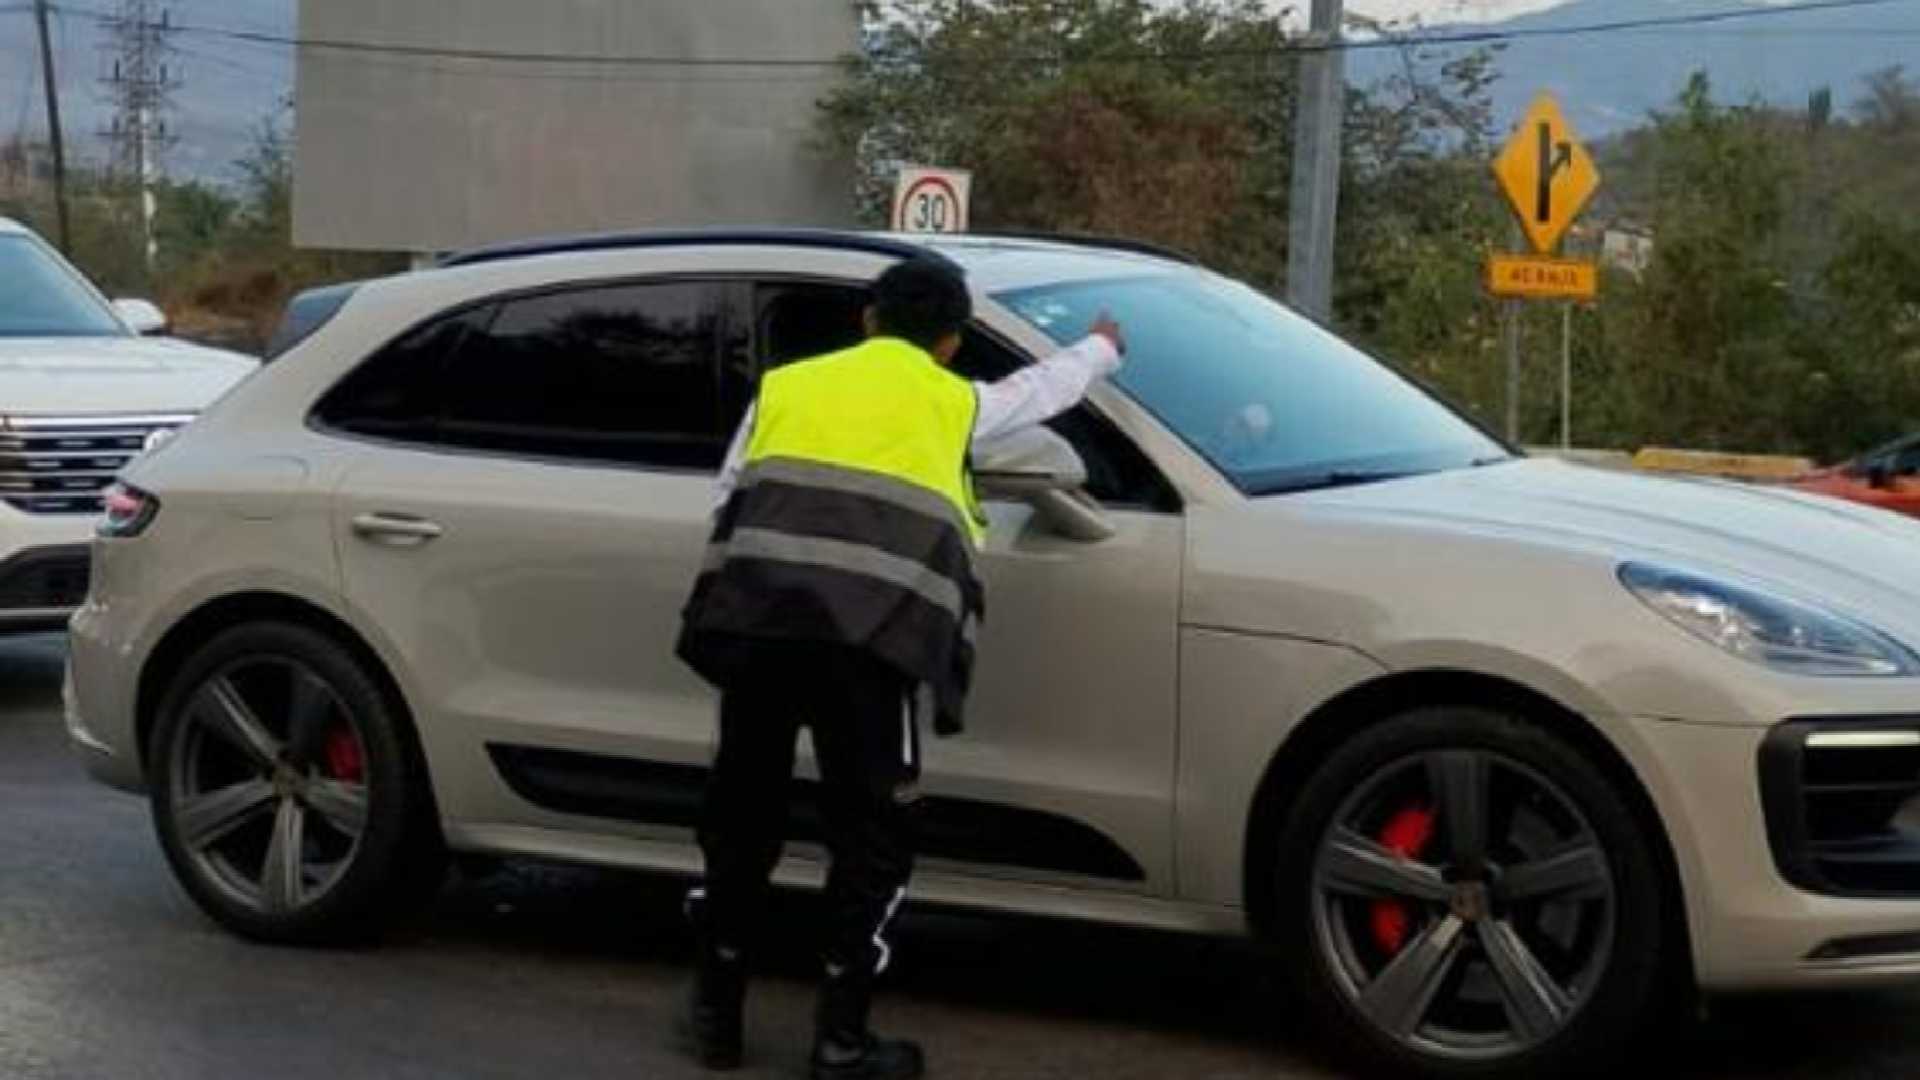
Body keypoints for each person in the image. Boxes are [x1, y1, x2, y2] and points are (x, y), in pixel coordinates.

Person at [675, 254, 1124, 1079]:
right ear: (951, 342)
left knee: (741, 819)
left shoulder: (788, 388)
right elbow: (1044, 391)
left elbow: (726, 497)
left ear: (869, 320)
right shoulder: (956, 402)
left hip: (761, 631)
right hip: (872, 649)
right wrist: (1100, 348)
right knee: (872, 835)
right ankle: (840, 1040)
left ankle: (716, 1017)